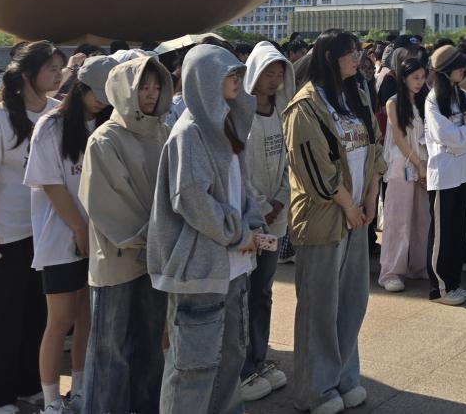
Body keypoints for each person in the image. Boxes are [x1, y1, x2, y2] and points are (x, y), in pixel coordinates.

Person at [148, 44, 261, 414]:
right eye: (229, 73)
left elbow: (241, 186)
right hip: (200, 271)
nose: (237, 79)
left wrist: (252, 222)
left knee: (230, 361)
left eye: (238, 72)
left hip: (233, 266)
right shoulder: (189, 133)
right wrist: (239, 232)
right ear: (205, 79)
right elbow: (192, 199)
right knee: (192, 370)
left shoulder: (226, 122)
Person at [283, 30, 384, 413]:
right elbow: (316, 170)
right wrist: (348, 206)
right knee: (319, 307)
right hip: (324, 219)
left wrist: (370, 199)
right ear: (329, 57)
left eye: (358, 51)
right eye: (350, 53)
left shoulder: (356, 95)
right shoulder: (304, 106)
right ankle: (316, 389)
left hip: (357, 215)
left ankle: (344, 377)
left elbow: (374, 146)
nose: (358, 58)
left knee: (352, 302)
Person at [0, 41, 64, 414]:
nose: (59, 75)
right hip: (5, 235)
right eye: (52, 68)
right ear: (27, 74)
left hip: (47, 235)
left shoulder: (57, 113)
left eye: (60, 67)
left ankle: (29, 385)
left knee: (36, 316)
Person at [79, 56, 173, 414]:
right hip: (117, 261)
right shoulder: (104, 139)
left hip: (156, 257)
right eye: (142, 87)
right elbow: (105, 204)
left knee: (151, 344)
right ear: (123, 90)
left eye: (156, 87)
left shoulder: (164, 132)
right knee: (110, 350)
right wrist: (153, 235)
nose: (151, 94)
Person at [25, 55, 118, 414]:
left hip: (97, 238)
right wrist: (79, 228)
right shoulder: (52, 125)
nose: (103, 101)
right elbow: (51, 185)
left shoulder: (107, 122)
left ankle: (80, 390)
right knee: (60, 320)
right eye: (98, 93)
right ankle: (51, 400)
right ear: (80, 87)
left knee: (86, 319)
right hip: (60, 237)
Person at [239, 42, 295, 402]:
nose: (273, 80)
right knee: (243, 292)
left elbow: (289, 161)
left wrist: (279, 199)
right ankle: (242, 364)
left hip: (275, 218)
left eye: (279, 74)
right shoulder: (241, 116)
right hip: (249, 221)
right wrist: (260, 206)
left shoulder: (282, 113)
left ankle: (259, 356)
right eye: (268, 73)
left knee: (263, 290)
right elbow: (238, 170)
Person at [424, 45, 466, 305]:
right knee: (442, 233)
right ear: (446, 70)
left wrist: (461, 140)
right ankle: (440, 288)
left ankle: (454, 282)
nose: (463, 70)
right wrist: (463, 139)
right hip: (444, 174)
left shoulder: (464, 97)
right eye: (459, 66)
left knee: (458, 231)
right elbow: (444, 135)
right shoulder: (433, 100)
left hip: (463, 172)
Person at [379, 58, 431, 292]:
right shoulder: (393, 102)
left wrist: (424, 165)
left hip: (424, 163)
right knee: (398, 220)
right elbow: (399, 139)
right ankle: (391, 272)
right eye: (415, 77)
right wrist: (419, 164)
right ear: (403, 78)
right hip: (402, 165)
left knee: (422, 219)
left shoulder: (425, 101)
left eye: (422, 77)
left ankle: (418, 266)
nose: (419, 82)